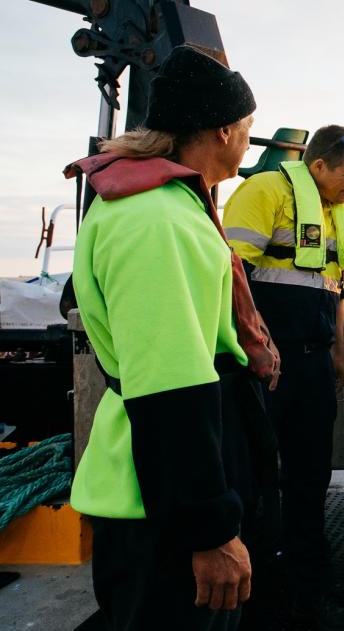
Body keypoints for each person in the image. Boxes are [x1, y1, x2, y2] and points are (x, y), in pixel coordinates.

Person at [67, 45, 272, 630]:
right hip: (160, 507)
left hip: (161, 488)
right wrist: (208, 530)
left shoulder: (154, 203)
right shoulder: (156, 217)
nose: (249, 139)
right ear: (224, 129)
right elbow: (170, 385)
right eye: (248, 126)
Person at [222, 125, 344, 629]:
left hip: (313, 365)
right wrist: (257, 347)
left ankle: (310, 592)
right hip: (264, 365)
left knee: (311, 478)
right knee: (256, 480)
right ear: (319, 166)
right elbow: (228, 273)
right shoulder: (265, 191)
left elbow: (336, 287)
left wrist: (339, 353)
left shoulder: (337, 213)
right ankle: (254, 598)